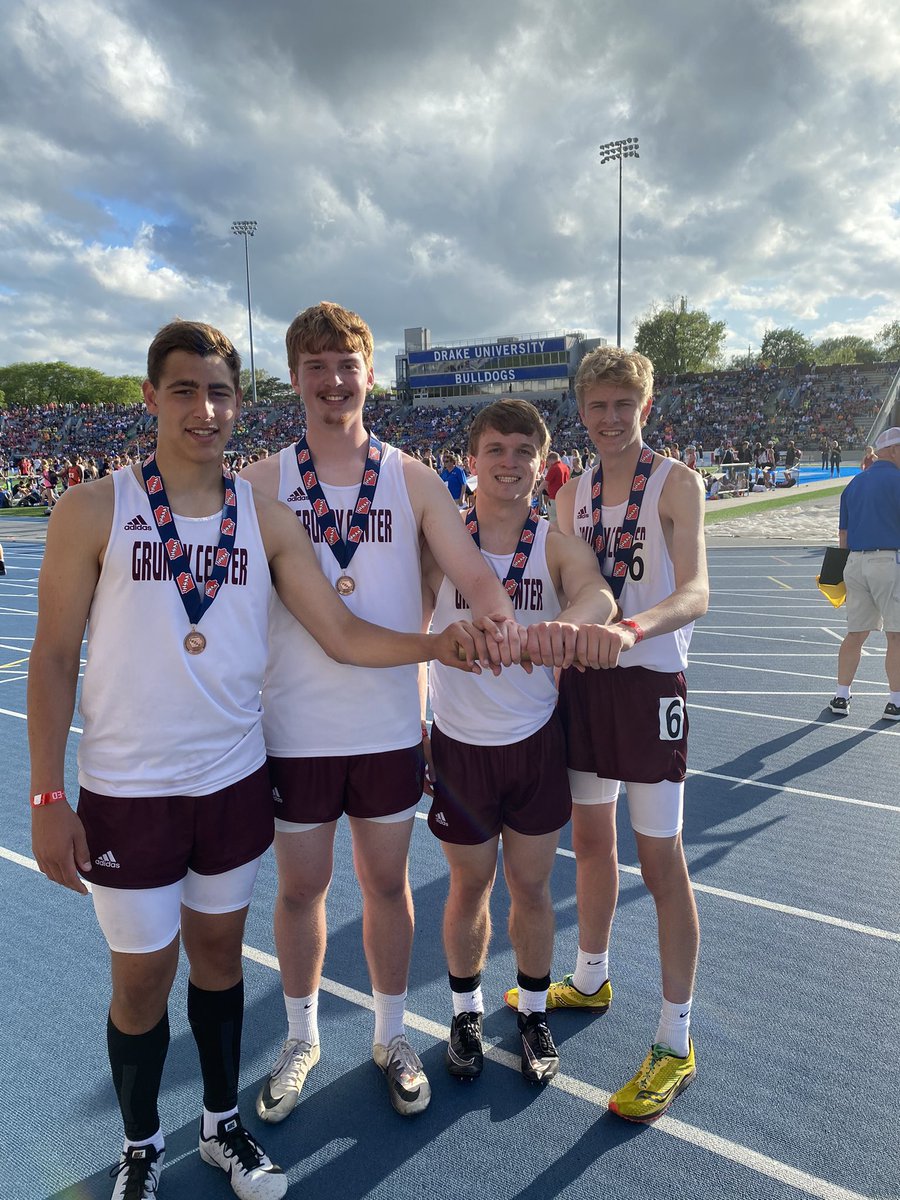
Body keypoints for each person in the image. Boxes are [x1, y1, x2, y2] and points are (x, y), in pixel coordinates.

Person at [28, 320, 490, 1200]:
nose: (205, 410)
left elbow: (345, 633)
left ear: (241, 402)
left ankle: (220, 1128)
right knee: (141, 984)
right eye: (184, 391)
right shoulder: (92, 507)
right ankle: (140, 1146)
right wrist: (50, 793)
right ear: (150, 397)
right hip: (127, 789)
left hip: (235, 779)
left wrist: (442, 646)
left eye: (219, 393)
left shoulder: (265, 514)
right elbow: (51, 658)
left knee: (220, 962)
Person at [241, 302, 517, 1123]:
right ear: (294, 379)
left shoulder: (412, 477)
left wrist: (496, 615)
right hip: (294, 728)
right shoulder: (259, 482)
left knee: (387, 885)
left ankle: (391, 1034)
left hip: (390, 726)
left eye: (346, 364)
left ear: (370, 373)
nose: (333, 381)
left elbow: (472, 571)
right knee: (300, 890)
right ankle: (300, 1037)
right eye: (316, 366)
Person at [505, 346, 709, 1124]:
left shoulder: (675, 482)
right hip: (588, 686)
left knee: (661, 860)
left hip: (649, 681)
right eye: (598, 405)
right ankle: (590, 974)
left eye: (625, 403)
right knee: (591, 844)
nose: (612, 418)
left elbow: (695, 589)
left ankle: (676, 1038)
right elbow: (568, 589)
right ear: (580, 412)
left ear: (645, 407)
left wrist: (632, 628)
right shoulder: (573, 494)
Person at [422, 400, 618, 1086]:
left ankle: (532, 1012)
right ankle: (466, 1011)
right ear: (470, 463)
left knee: (531, 888)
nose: (509, 463)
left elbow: (598, 598)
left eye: (522, 451)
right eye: (495, 449)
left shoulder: (556, 545)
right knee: (468, 885)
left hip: (534, 745)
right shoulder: (440, 544)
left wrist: (566, 625)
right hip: (459, 747)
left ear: (543, 463)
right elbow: (411, 628)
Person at [828, 426, 900, 722]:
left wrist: (839, 573)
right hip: (889, 561)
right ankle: (895, 701)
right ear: (895, 450)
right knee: (896, 636)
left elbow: (843, 534)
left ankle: (841, 695)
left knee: (855, 634)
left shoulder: (854, 483)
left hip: (854, 563)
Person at [536, 450, 571, 522]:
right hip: (563, 497)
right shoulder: (566, 467)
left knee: (553, 520)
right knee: (562, 520)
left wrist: (536, 493)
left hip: (554, 498)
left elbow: (545, 483)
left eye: (547, 463)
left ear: (551, 460)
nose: (547, 465)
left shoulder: (554, 468)